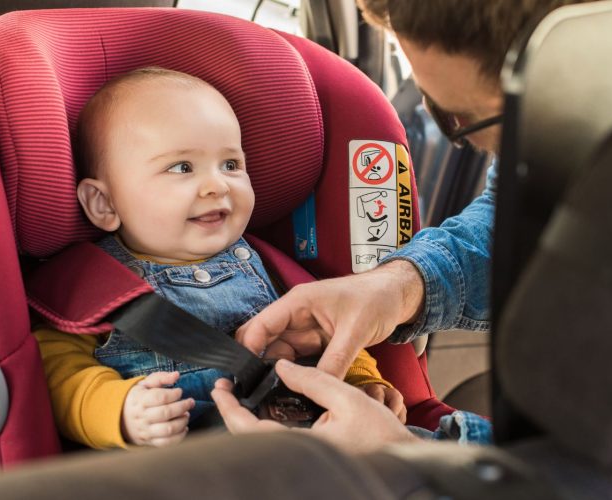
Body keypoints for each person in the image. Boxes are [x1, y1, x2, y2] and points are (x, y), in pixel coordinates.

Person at [214, 0, 612, 452]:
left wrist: (410, 460)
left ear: (586, 56)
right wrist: (398, 287)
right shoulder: (586, 83)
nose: (473, 147)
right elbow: (527, 210)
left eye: (463, 121)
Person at [33, 67, 406, 450]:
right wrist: (121, 411)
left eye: (231, 165)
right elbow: (58, 373)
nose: (217, 185)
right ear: (104, 203)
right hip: (196, 467)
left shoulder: (271, 268)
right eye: (181, 168)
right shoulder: (93, 288)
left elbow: (329, 332)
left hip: (312, 446)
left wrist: (362, 381)